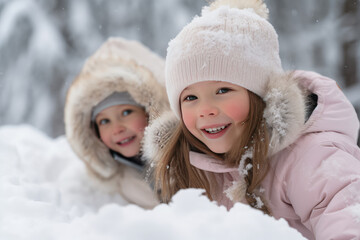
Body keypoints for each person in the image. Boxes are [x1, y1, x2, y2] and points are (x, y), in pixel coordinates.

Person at [142, 0, 360, 238]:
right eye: (191, 97)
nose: (205, 110)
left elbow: (349, 218)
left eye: (223, 91)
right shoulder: (190, 164)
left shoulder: (312, 157)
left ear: (260, 96)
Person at [65, 37, 169, 209]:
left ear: (150, 112)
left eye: (126, 112)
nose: (117, 129)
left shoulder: (191, 157)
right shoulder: (123, 180)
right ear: (94, 132)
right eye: (104, 121)